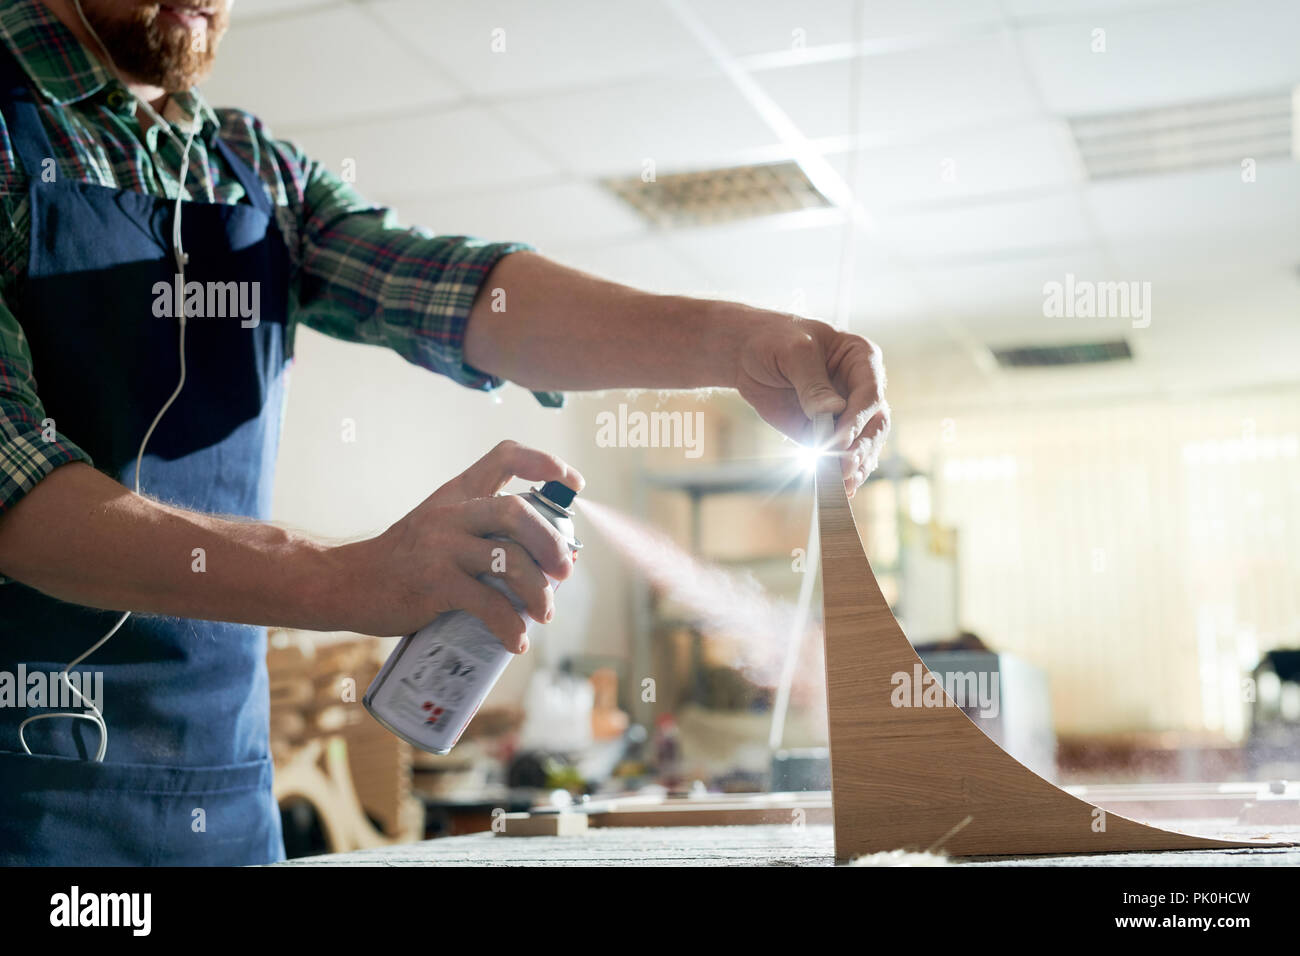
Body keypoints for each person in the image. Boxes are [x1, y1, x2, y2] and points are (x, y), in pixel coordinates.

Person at [0, 0, 889, 865]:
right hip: (26, 804)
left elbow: (457, 290)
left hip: (225, 794)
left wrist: (731, 343)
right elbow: (20, 498)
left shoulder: (253, 170)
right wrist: (350, 578)